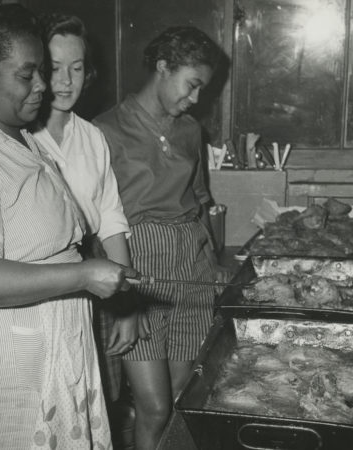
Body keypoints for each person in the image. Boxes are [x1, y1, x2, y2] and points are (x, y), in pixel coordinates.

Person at [0, 5, 137, 449]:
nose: (43, 86)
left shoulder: (22, 137)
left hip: (50, 350)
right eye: (27, 74)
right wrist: (83, 274)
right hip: (3, 363)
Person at [94, 26, 227, 449]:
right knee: (153, 406)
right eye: (191, 85)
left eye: (201, 89)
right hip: (138, 266)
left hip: (192, 265)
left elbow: (201, 200)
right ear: (163, 67)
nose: (195, 99)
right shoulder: (104, 131)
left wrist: (215, 262)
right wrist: (121, 297)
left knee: (182, 394)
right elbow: (98, 221)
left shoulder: (191, 131)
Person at [32, 13, 144, 411]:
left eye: (76, 68)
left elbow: (111, 221)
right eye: (54, 68)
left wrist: (126, 303)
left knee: (99, 400)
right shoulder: (22, 138)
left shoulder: (92, 136)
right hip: (39, 281)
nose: (65, 81)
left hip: (91, 269)